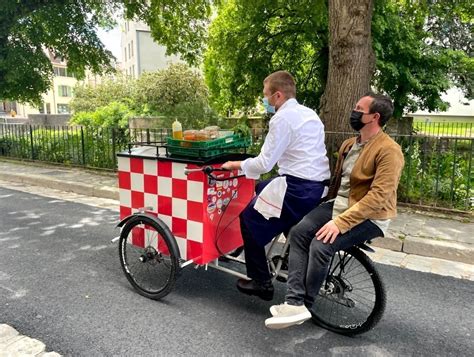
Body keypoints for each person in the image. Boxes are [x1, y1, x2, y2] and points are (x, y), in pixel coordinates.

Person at [265, 92, 405, 329]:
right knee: (299, 232)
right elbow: (337, 184)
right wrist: (317, 205)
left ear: (375, 117)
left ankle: (303, 303)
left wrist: (340, 223)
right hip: (339, 205)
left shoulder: (389, 151)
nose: (354, 111)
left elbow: (379, 197)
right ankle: (294, 301)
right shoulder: (349, 145)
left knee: (321, 245)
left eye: (359, 108)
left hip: (371, 216)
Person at [222, 71, 331, 301]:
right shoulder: (309, 114)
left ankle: (260, 281)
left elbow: (264, 163)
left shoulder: (282, 119)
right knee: (260, 189)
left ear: (278, 95)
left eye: (265, 96)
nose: (265, 101)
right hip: (318, 186)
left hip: (296, 188)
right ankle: (265, 248)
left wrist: (235, 165)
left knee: (249, 219)